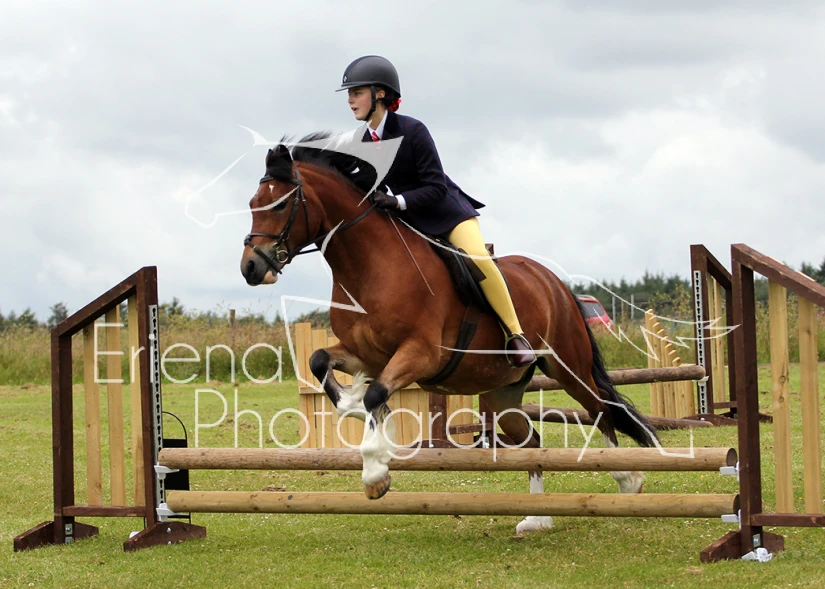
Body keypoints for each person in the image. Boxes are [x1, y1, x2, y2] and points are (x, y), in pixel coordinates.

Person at [337, 55, 536, 367]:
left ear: (380, 94)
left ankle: (515, 334)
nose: (350, 100)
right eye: (349, 94)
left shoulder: (413, 130)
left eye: (356, 93)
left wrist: (397, 201)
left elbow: (436, 187)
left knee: (477, 258)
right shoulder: (361, 141)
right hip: (409, 222)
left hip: (447, 215)